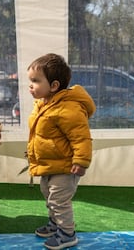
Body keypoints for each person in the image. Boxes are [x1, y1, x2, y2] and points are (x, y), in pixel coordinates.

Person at [26, 53, 96, 249]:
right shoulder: (43, 104)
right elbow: (40, 136)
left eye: (35, 81)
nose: (30, 85)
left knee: (58, 199)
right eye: (30, 80)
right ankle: (55, 224)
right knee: (47, 194)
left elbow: (81, 137)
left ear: (54, 86)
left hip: (66, 167)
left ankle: (67, 234)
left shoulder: (68, 108)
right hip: (49, 164)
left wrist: (81, 162)